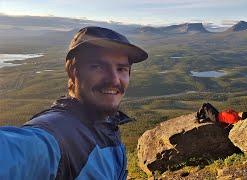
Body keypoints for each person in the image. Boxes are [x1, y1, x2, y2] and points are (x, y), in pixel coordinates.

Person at [0, 26, 148, 179]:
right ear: (73, 72)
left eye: (121, 69)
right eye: (97, 66)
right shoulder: (58, 135)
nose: (114, 80)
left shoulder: (107, 126)